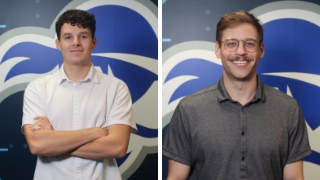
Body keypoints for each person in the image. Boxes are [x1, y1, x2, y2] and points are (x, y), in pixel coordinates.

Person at [163, 10, 311, 180]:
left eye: (249, 43)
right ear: (218, 49)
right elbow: (175, 177)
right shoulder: (188, 109)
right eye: (231, 43)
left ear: (261, 50)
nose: (240, 51)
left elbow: (294, 178)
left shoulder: (289, 109)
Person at [22, 9, 137, 180]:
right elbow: (38, 145)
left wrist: (54, 139)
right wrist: (95, 132)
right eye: (68, 37)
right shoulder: (37, 88)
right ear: (58, 43)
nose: (76, 42)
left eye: (83, 36)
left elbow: (117, 147)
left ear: (94, 42)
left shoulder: (117, 88)